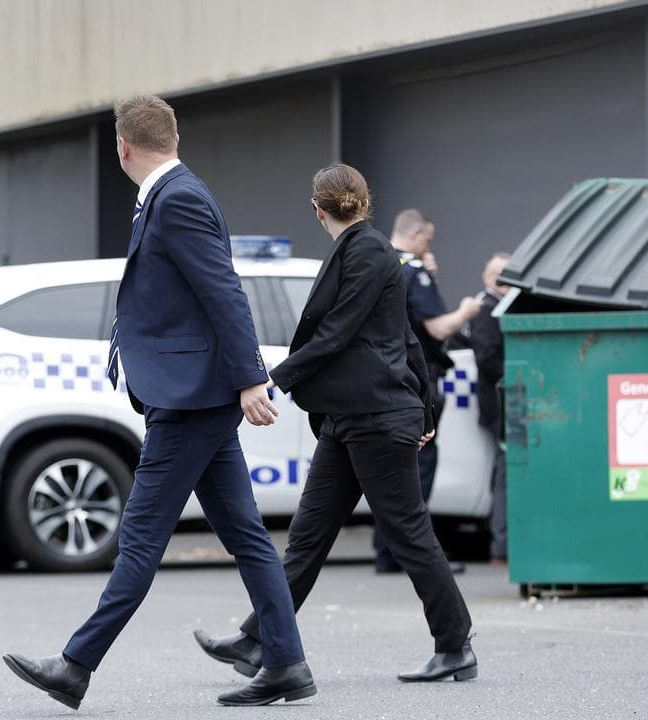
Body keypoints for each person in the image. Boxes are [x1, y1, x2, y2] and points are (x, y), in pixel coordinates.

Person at [2, 95, 315, 710]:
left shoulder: (180, 199)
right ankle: (286, 664)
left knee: (141, 536)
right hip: (194, 395)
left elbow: (223, 290)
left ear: (123, 147)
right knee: (249, 537)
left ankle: (75, 665)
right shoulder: (173, 195)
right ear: (173, 137)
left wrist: (251, 378)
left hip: (192, 401)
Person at [193, 164, 477, 684]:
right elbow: (405, 338)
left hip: (376, 417)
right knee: (307, 535)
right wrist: (426, 403)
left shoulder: (368, 252)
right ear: (365, 201)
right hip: (353, 418)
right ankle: (259, 638)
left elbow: (339, 336)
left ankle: (455, 646)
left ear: (316, 209)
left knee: (408, 534)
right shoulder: (359, 251)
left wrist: (264, 380)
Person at [375, 209, 481, 573]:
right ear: (416, 233)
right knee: (419, 463)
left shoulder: (381, 262)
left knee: (390, 467)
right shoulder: (414, 271)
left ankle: (388, 552)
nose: (428, 247)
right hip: (416, 380)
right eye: (428, 239)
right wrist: (466, 312)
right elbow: (437, 329)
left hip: (384, 378)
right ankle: (415, 554)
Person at [469, 253, 511, 563]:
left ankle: (503, 543)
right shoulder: (487, 308)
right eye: (498, 274)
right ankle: (501, 545)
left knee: (505, 472)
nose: (502, 281)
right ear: (487, 277)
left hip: (501, 403)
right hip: (499, 405)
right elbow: (488, 359)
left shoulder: (500, 306)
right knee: (504, 475)